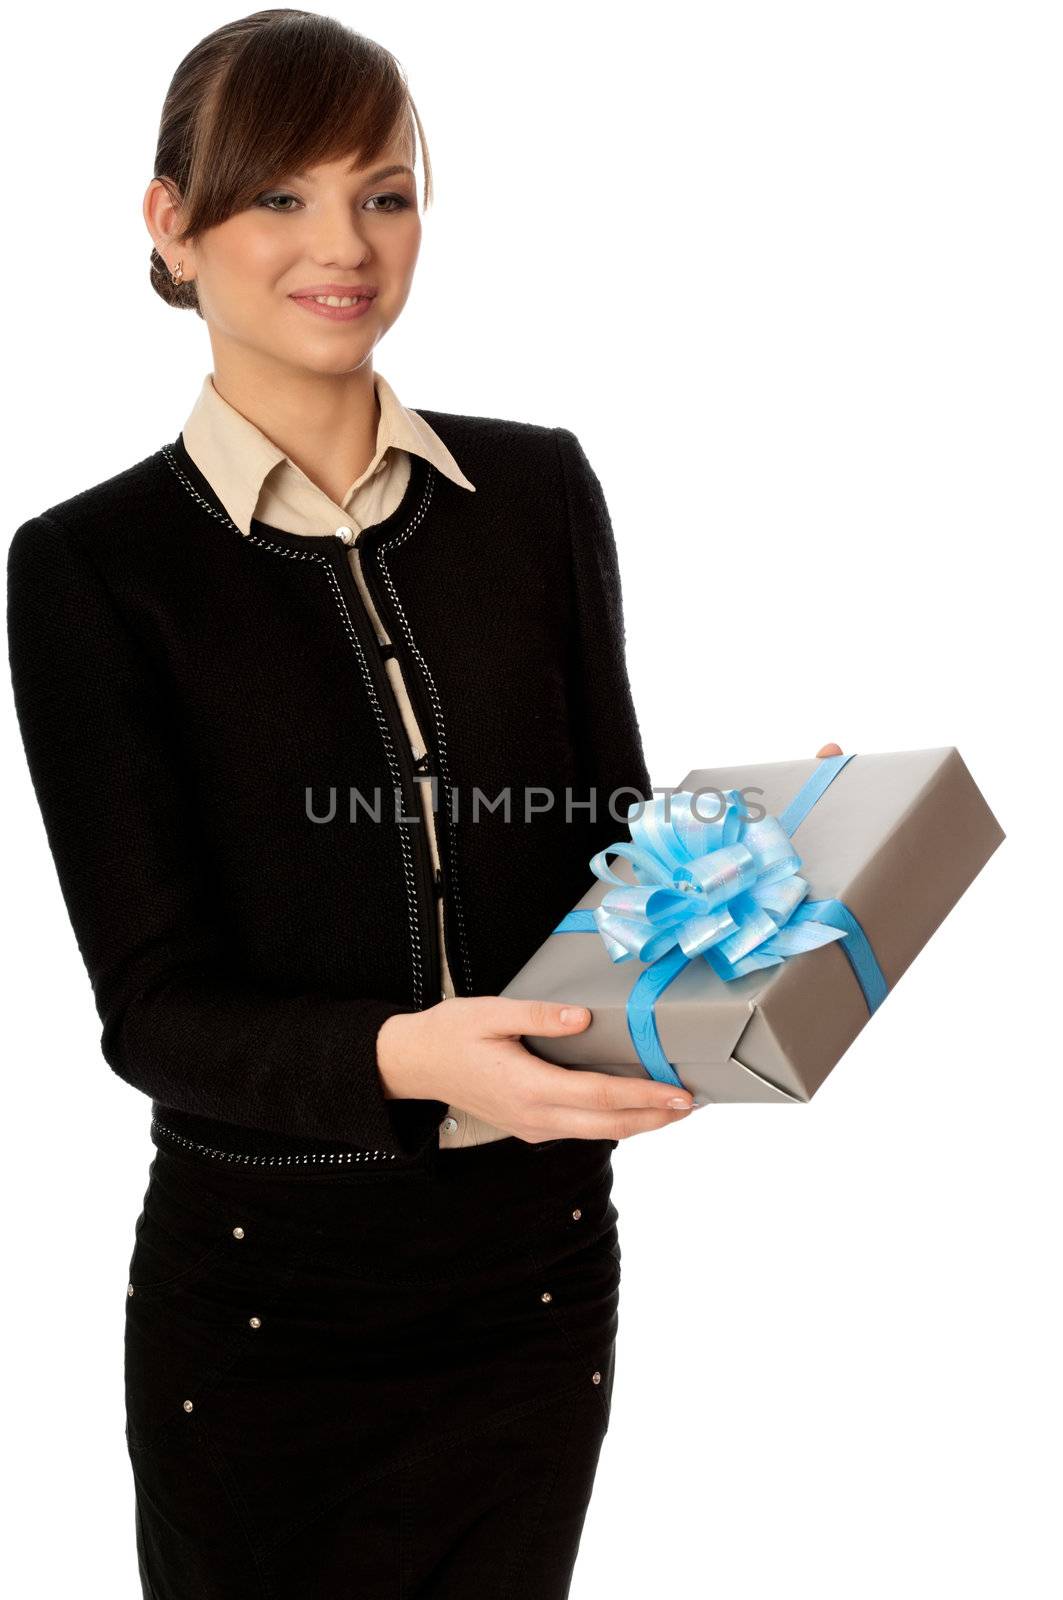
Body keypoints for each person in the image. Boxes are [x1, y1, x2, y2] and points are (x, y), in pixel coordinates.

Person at [7, 10, 843, 1596]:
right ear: (169, 224)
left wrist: (752, 857)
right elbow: (154, 1013)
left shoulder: (535, 494)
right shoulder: (91, 569)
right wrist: (417, 1060)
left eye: (385, 195)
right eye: (282, 198)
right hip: (264, 1301)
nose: (345, 245)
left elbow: (607, 846)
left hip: (535, 1282)